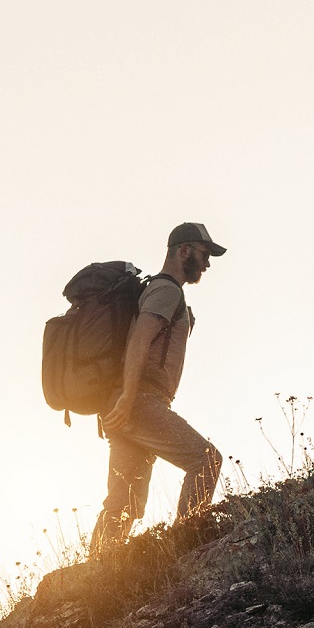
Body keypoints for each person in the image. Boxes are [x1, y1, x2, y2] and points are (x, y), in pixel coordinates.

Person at [94, 222, 228, 550]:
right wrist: (127, 398)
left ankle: (97, 574)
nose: (207, 263)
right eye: (203, 253)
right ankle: (186, 547)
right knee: (205, 459)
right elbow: (140, 340)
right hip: (138, 399)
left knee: (124, 501)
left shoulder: (161, 292)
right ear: (183, 250)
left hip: (123, 402)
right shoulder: (167, 289)